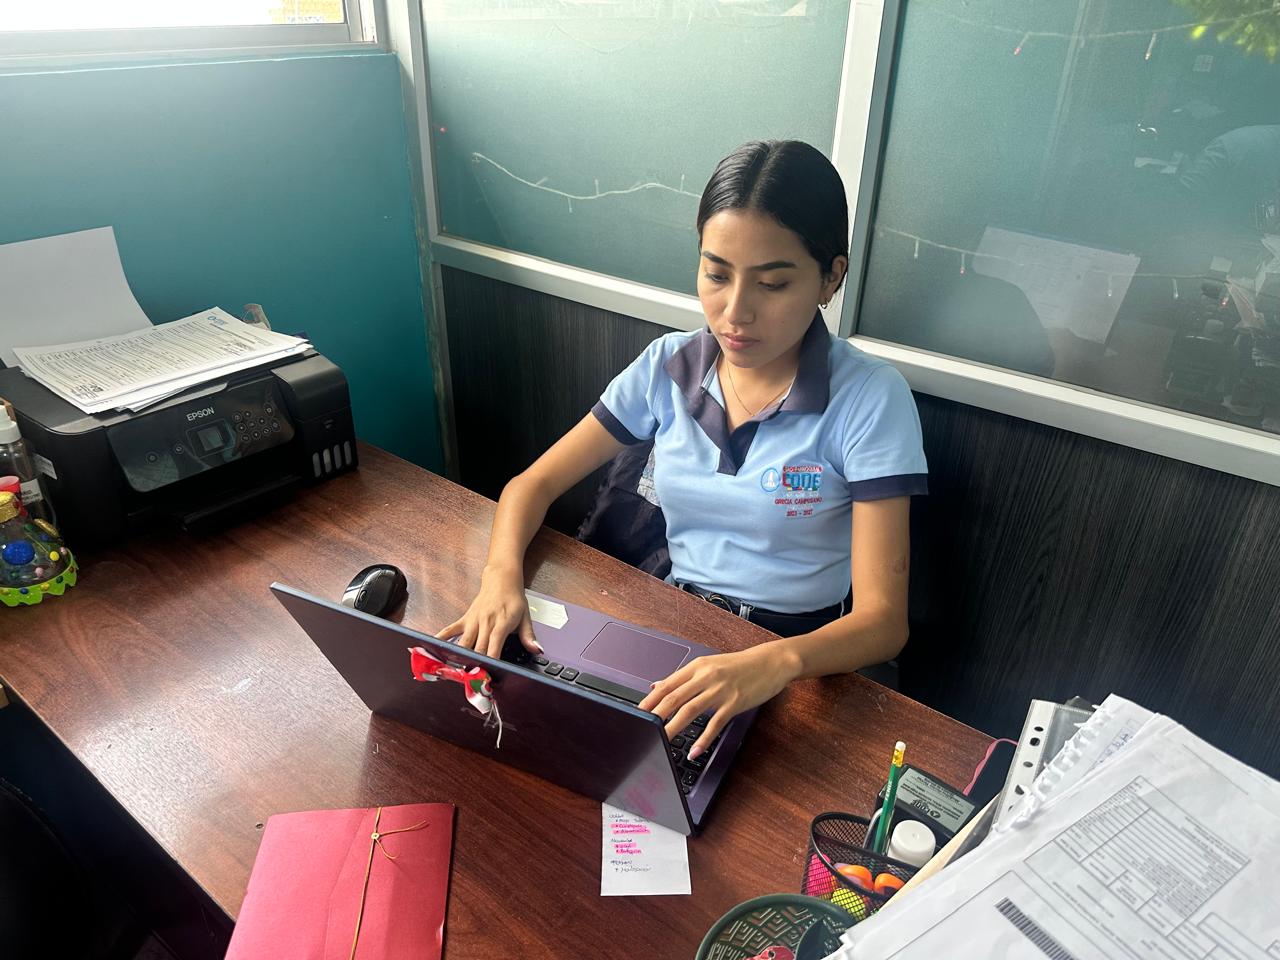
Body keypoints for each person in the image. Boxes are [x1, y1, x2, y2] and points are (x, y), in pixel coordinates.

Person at [437, 140, 928, 759]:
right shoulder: (667, 366)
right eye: (716, 275)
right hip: (674, 625)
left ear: (831, 276)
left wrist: (774, 662)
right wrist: (500, 580)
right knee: (541, 748)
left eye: (773, 283)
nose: (735, 312)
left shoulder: (870, 398)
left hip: (801, 658)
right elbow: (531, 486)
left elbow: (883, 623)